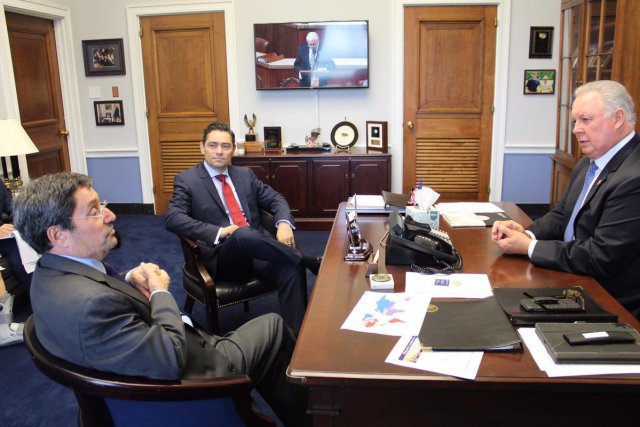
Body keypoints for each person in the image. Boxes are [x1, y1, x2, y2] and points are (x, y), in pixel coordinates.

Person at [13, 172, 307, 426]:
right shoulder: (91, 305)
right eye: (93, 210)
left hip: (145, 361)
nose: (110, 214)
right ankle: (315, 418)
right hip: (195, 378)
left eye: (102, 204)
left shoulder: (46, 273)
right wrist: (161, 292)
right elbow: (169, 359)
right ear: (58, 235)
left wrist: (128, 278)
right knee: (274, 326)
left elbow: (97, 285)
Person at [492, 80, 640, 318]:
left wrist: (530, 247)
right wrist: (528, 233)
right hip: (573, 276)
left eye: (586, 120)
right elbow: (563, 214)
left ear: (618, 118)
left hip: (610, 301)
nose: (576, 129)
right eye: (575, 121)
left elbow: (602, 256)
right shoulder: (588, 162)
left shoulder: (633, 177)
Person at [165, 122, 320, 334]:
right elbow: (173, 218)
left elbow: (276, 199)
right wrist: (219, 232)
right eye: (213, 145)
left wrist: (283, 223)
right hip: (223, 259)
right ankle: (308, 259)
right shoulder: (187, 180)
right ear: (202, 147)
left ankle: (296, 341)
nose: (219, 151)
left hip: (259, 251)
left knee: (290, 267)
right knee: (242, 233)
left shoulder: (245, 175)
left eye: (225, 146)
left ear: (233, 149)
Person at [0, 181, 32, 292]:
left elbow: (13, 208)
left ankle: (38, 296)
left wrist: (18, 224)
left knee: (21, 239)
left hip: (4, 236)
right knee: (14, 245)